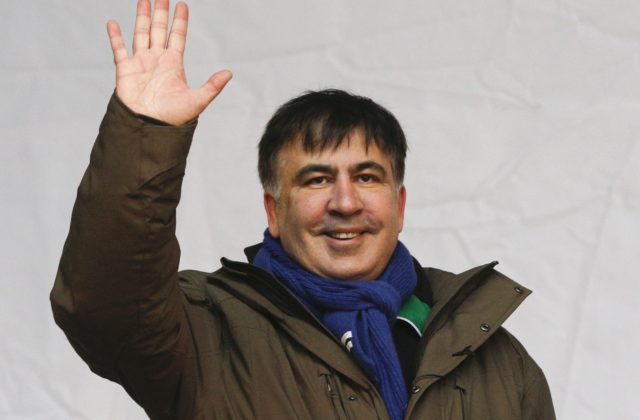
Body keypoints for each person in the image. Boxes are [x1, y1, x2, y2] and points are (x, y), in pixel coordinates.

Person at [50, 0, 556, 419]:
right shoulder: (207, 333)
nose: (345, 202)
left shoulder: (494, 358)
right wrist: (146, 135)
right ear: (274, 211)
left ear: (399, 205)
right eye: (317, 179)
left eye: (366, 177)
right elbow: (104, 308)